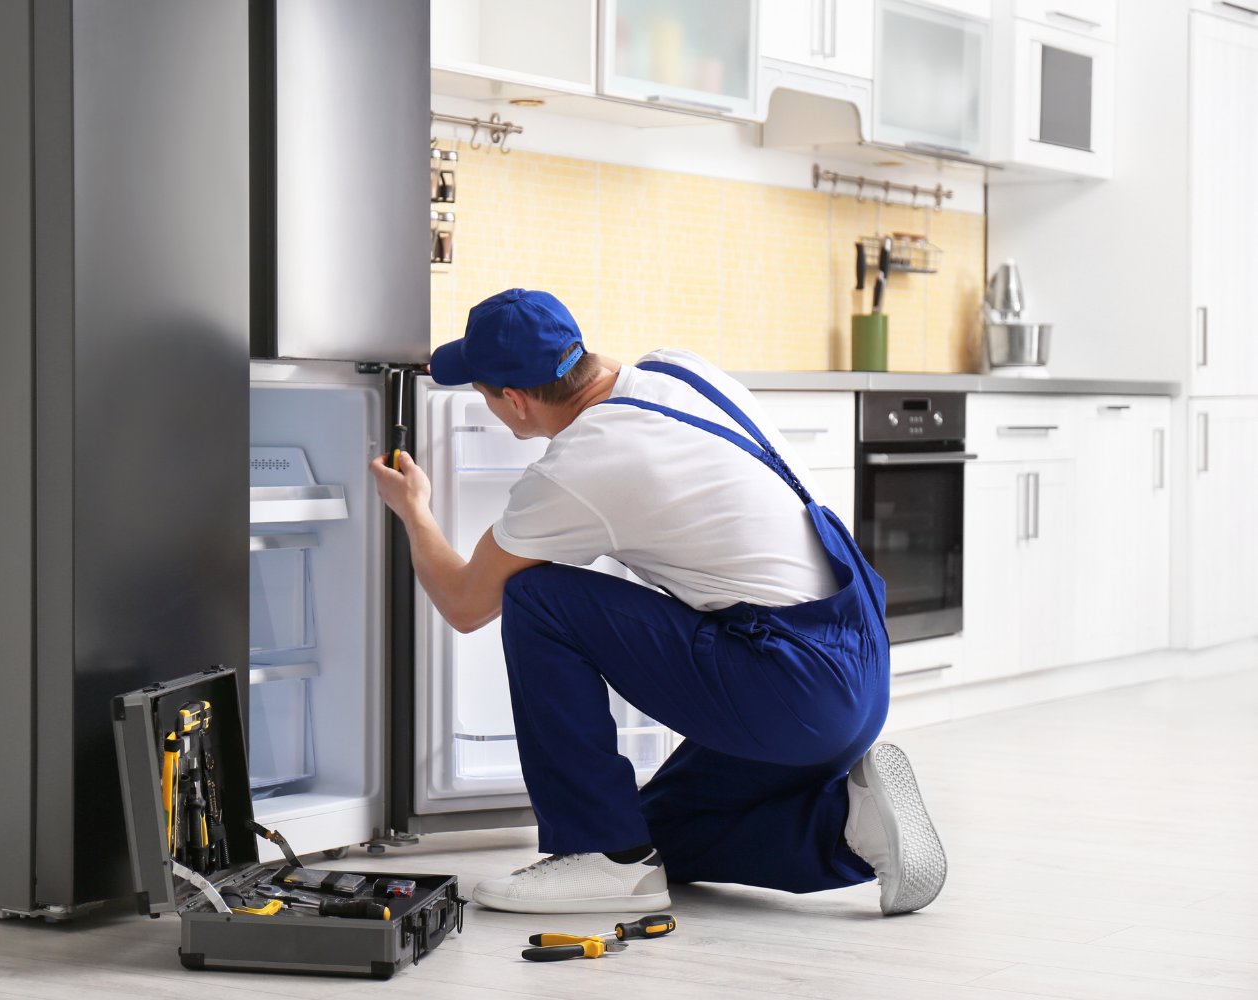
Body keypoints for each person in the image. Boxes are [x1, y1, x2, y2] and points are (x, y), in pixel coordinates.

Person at [369, 289, 946, 916]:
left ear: (514, 400)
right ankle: (849, 829)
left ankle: (599, 854)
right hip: (856, 666)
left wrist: (415, 511)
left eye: (485, 394)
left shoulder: (580, 465)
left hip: (791, 688)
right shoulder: (679, 369)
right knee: (655, 837)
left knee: (536, 598)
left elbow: (464, 603)